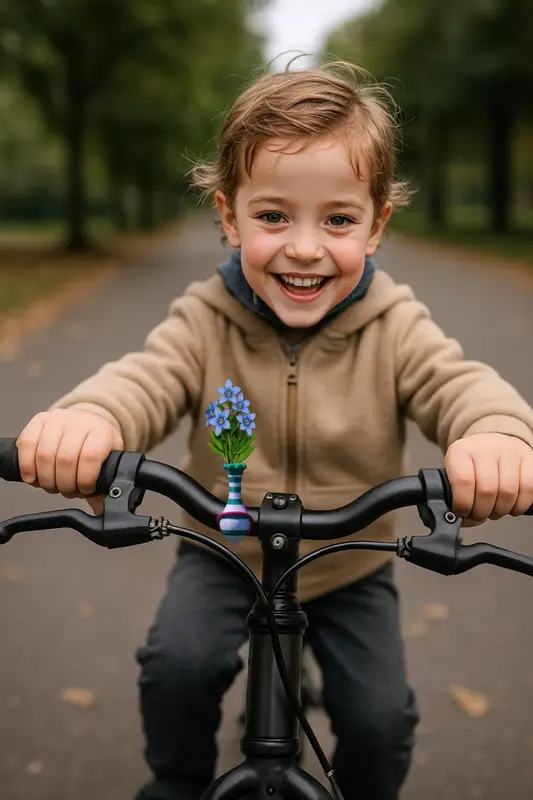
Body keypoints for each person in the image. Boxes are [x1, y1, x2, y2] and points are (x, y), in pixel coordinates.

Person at [15, 60, 533, 800]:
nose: (303, 246)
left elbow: (458, 385)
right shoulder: (203, 318)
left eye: (338, 219)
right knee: (177, 665)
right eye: (272, 216)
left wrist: (495, 434)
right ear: (228, 217)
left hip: (350, 562)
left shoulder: (395, 324)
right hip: (221, 549)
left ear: (377, 223)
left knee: (380, 719)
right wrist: (86, 421)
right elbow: (144, 378)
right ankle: (176, 779)